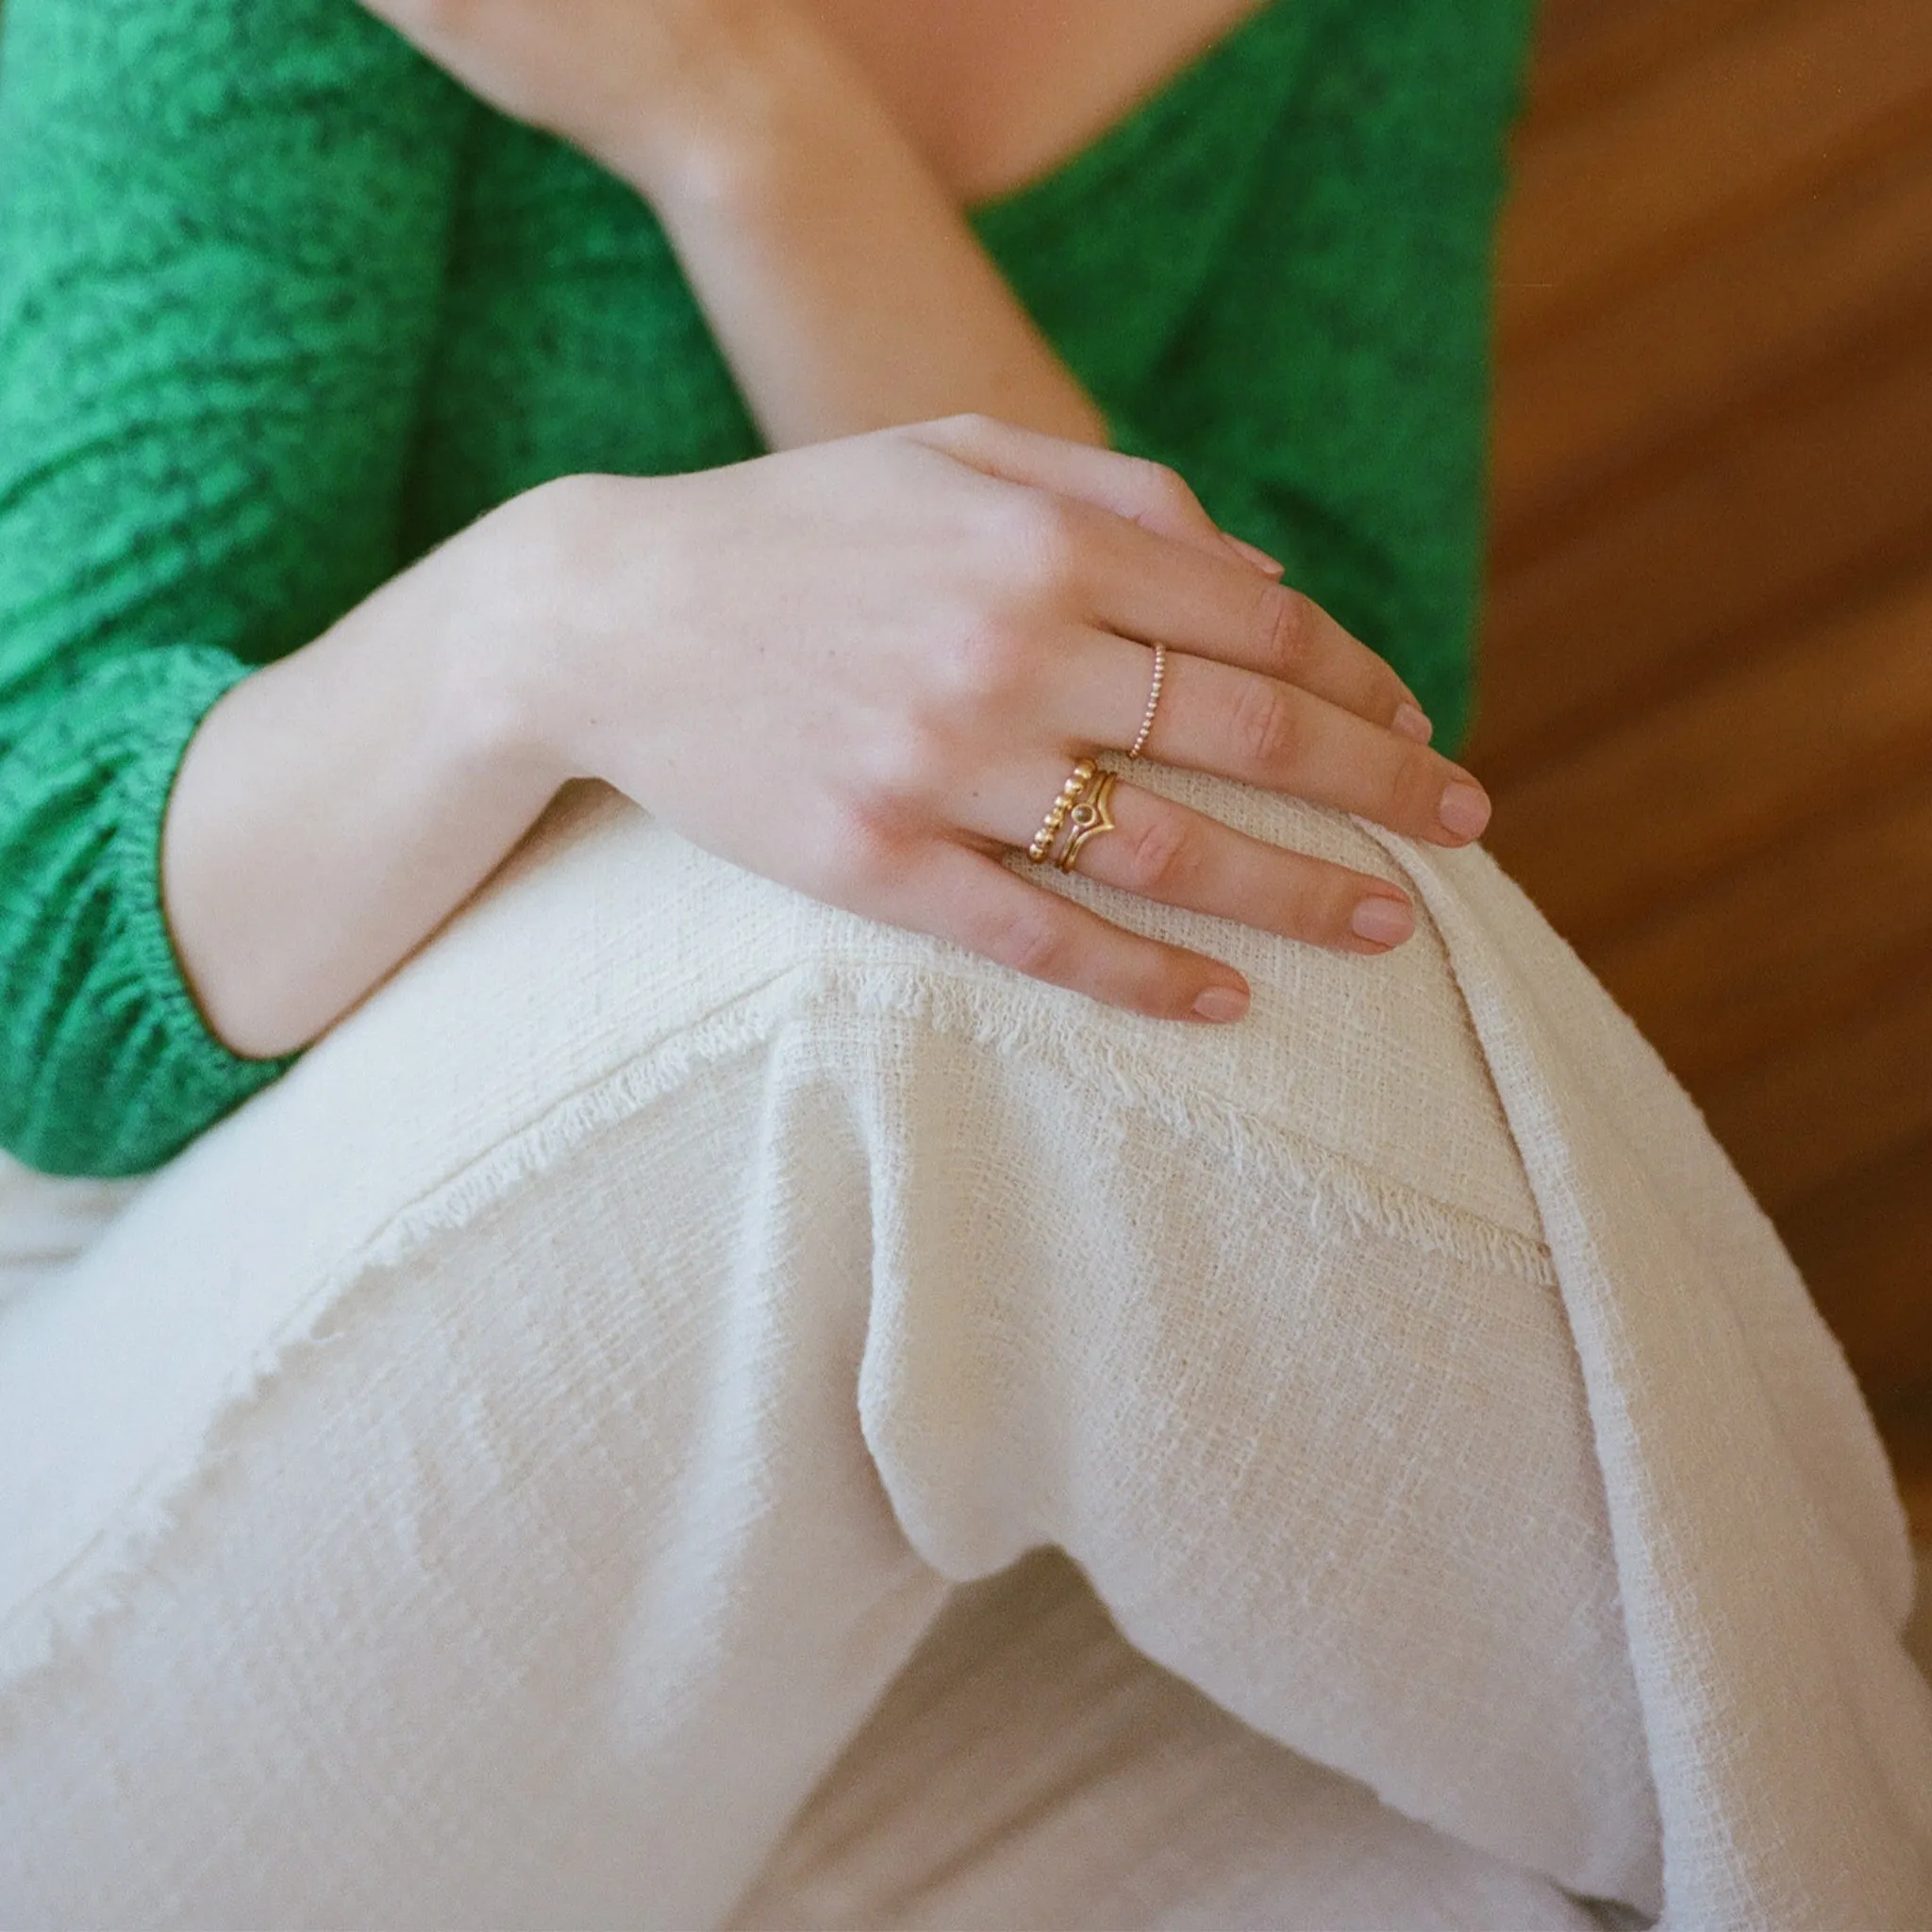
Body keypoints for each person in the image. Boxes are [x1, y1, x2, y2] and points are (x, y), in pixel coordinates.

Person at [1, 0, 1928, 1925]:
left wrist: (738, 119)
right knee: (921, 959)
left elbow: (1342, 751)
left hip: (848, 1469)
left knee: (1485, 1888)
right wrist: (549, 625)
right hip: (140, 1332)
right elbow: (43, 968)